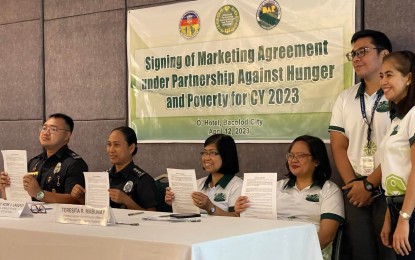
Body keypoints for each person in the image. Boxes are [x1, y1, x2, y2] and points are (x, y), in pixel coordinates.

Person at [328, 30, 396, 260]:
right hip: (354, 190)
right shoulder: (345, 98)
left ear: (384, 54)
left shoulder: (399, 94)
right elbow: (338, 145)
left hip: (392, 187)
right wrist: (354, 185)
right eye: (353, 54)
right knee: (360, 253)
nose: (356, 58)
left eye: (363, 52)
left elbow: (400, 148)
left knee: (392, 252)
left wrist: (370, 184)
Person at [235, 135, 344, 260]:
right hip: (270, 249)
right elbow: (255, 222)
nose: (293, 160)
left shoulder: (329, 189)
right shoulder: (276, 186)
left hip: (308, 252)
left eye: (300, 156)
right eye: (291, 155)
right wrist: (242, 210)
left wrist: (292, 253)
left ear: (316, 160)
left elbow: (326, 236)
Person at [0, 113, 88, 204]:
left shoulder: (74, 163)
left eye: (53, 129)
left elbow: (75, 201)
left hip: (57, 217)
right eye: (44, 128)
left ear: (67, 135)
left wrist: (39, 194)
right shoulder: (34, 162)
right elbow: (21, 200)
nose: (45, 133)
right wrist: (7, 189)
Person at [378, 51, 415, 259]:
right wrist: (389, 216)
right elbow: (396, 172)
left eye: (389, 75)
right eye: (381, 75)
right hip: (398, 208)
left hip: (410, 211)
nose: (383, 81)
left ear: (408, 77)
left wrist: (404, 218)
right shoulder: (398, 119)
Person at [71, 126, 157, 210]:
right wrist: (81, 198)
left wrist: (127, 202)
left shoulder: (143, 180)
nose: (111, 150)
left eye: (116, 145)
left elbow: (152, 216)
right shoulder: (102, 177)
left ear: (131, 148)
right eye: (109, 144)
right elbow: (95, 210)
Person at [165, 134, 242, 216]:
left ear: (226, 156)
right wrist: (175, 201)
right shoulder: (197, 184)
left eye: (212, 153)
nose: (206, 158)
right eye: (204, 153)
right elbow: (187, 215)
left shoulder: (237, 186)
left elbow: (236, 218)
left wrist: (210, 207)